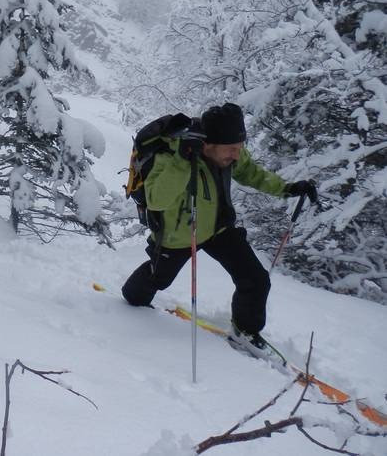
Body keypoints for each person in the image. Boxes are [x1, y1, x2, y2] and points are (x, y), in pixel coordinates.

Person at [121, 103, 317, 348]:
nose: (236, 155)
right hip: (179, 235)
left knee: (255, 279)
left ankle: (245, 331)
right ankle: (130, 299)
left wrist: (288, 188)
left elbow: (250, 172)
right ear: (208, 145)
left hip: (219, 228)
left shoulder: (228, 151)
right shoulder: (171, 156)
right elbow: (157, 200)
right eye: (232, 150)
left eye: (239, 148)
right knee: (157, 280)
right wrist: (182, 162)